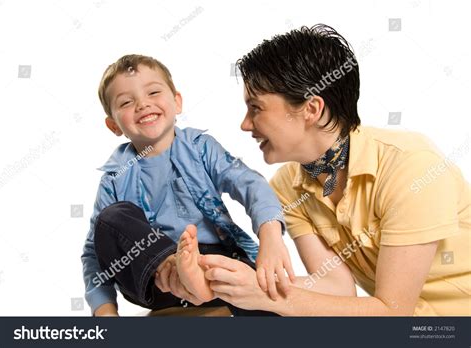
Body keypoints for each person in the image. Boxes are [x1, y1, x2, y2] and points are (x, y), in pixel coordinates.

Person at [197, 24, 470, 316]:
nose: (245, 124)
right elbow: (334, 287)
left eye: (256, 108)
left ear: (311, 109)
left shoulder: (411, 166)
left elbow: (393, 314)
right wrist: (242, 282)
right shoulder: (286, 186)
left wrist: (267, 298)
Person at [81, 54, 295, 316]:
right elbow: (94, 252)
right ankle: (176, 269)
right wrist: (105, 312)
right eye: (126, 102)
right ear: (113, 125)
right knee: (111, 218)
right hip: (155, 278)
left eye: (153, 92)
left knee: (271, 302)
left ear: (177, 102)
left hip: (215, 261)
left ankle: (197, 278)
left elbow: (249, 184)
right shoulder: (114, 176)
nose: (142, 104)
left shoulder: (200, 147)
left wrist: (271, 235)